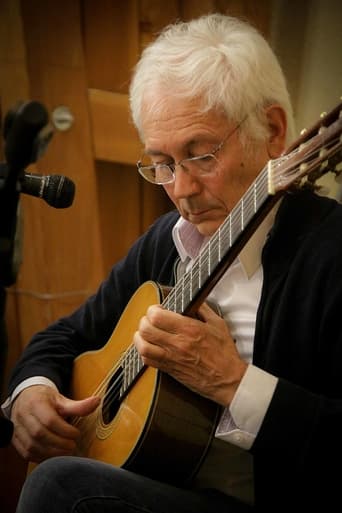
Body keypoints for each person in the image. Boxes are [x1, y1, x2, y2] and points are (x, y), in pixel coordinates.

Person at [2, 12, 342, 513]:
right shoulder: (168, 241)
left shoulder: (330, 253)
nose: (180, 190)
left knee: (60, 487)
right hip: (164, 487)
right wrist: (32, 392)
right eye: (161, 163)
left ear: (272, 131)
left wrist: (231, 381)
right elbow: (66, 337)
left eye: (202, 155)